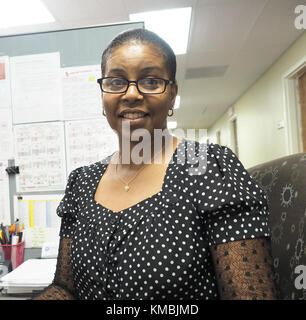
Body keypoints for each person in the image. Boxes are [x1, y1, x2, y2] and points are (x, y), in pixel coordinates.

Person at [33, 28, 277, 300]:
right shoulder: (82, 182)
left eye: (150, 81)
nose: (132, 94)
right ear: (103, 97)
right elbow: (65, 289)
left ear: (172, 95)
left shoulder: (209, 168)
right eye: (116, 82)